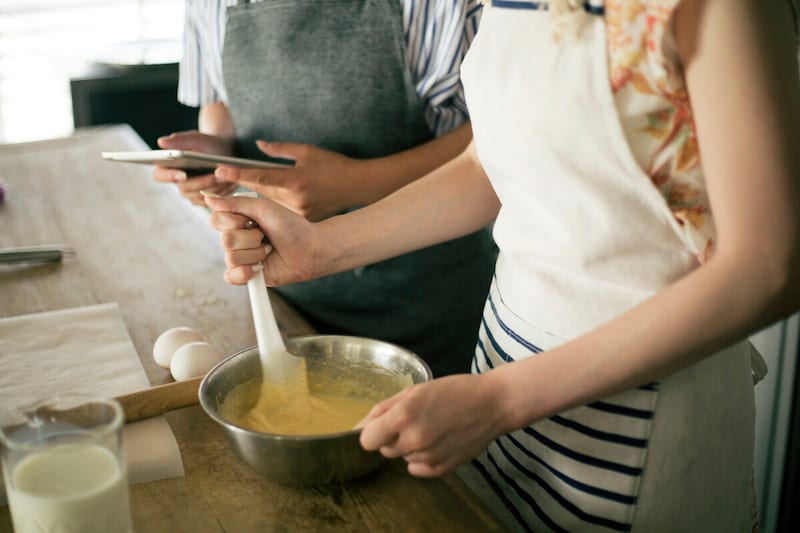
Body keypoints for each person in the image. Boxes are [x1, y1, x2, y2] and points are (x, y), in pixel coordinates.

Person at [203, 0, 800, 531]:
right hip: (501, 374)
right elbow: (489, 164)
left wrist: (500, 400)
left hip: (633, 418)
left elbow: (770, 266)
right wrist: (320, 247)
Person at [154, 0, 497, 377]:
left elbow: (492, 140)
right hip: (281, 301)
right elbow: (220, 104)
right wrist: (220, 154)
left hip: (431, 303)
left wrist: (356, 183)